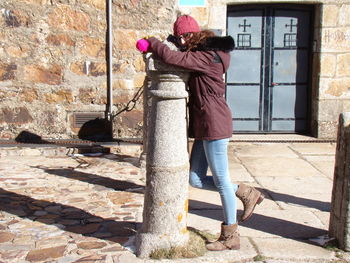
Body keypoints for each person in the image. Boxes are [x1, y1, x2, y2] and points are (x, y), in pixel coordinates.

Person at [136, 15, 264, 251]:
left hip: (214, 123)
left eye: (183, 37)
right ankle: (246, 192)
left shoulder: (207, 56)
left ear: (191, 35)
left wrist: (153, 42)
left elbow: (172, 57)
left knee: (222, 181)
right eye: (179, 37)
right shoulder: (207, 53)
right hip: (206, 124)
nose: (181, 41)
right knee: (194, 178)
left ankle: (230, 235)